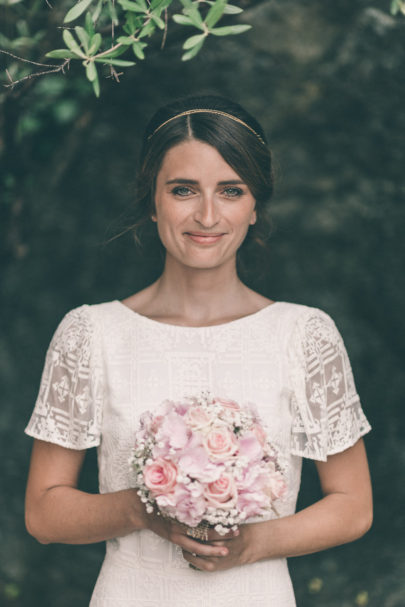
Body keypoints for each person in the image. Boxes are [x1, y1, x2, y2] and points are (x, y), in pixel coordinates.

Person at [24, 95, 372, 607]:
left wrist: (252, 543)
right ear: (152, 200)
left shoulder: (304, 334)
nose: (207, 215)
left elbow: (354, 506)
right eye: (184, 190)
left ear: (255, 206)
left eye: (230, 191)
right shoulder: (90, 333)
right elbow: (43, 515)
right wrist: (143, 509)